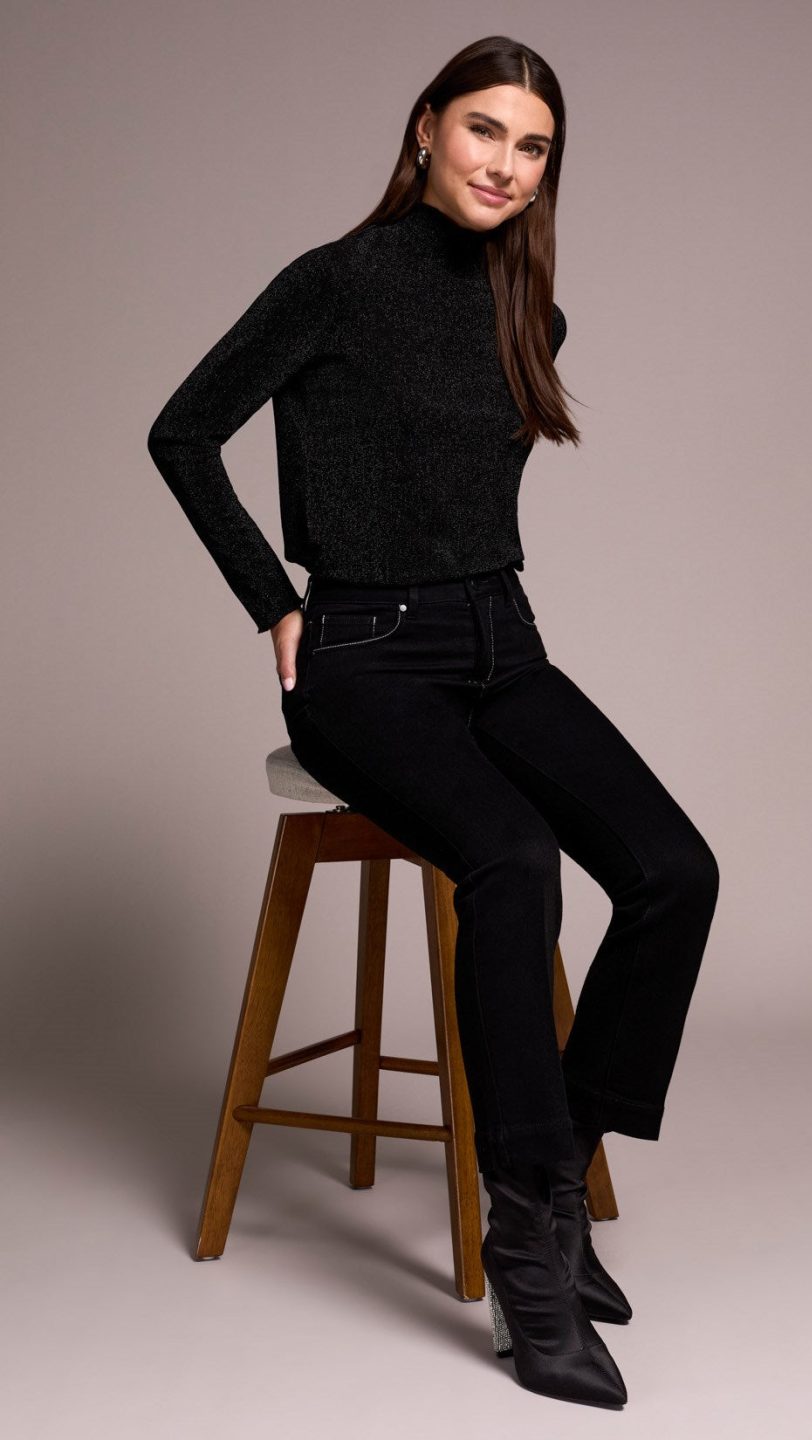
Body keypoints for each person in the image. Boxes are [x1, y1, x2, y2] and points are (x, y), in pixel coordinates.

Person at [147, 34, 720, 1410]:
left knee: (674, 871)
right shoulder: (337, 280)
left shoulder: (532, 314)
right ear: (424, 128)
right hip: (363, 659)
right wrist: (270, 601)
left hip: (503, 644)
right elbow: (182, 432)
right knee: (513, 860)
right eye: (483, 131)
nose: (505, 165)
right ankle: (527, 1247)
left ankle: (556, 1177)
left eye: (533, 148)